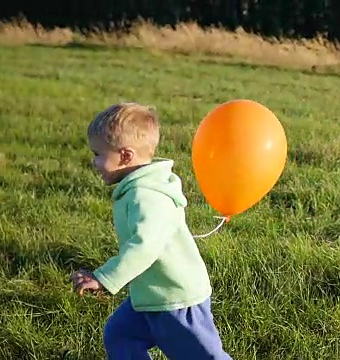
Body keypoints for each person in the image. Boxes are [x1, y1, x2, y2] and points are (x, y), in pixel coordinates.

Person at [70, 102, 232, 360]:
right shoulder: (139, 187)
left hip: (176, 299)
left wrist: (104, 277)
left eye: (99, 154)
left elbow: (145, 247)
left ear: (125, 156)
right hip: (150, 294)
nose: (94, 162)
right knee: (120, 335)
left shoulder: (146, 196)